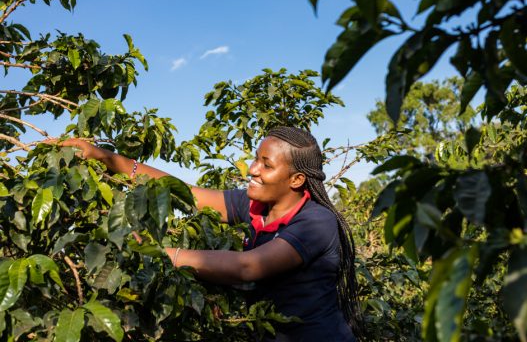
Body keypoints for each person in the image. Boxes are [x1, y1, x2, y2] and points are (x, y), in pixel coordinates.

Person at [55, 126, 360, 341]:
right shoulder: (253, 205)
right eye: (256, 158)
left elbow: (247, 267)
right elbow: (187, 193)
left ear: (296, 180)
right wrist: (105, 158)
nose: (252, 169)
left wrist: (159, 253)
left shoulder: (317, 222)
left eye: (266, 165)